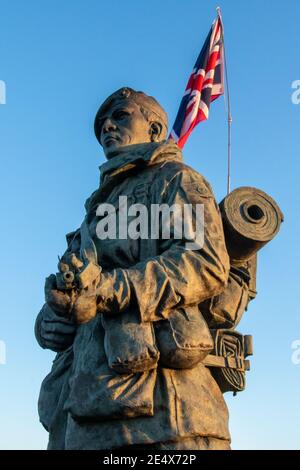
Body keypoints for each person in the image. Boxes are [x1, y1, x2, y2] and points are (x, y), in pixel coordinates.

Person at [35, 87, 231, 450]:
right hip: (82, 413)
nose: (107, 126)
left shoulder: (175, 180)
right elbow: (77, 294)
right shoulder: (94, 211)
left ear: (155, 130)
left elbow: (204, 261)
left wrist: (111, 288)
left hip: (164, 413)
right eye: (100, 125)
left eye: (121, 116)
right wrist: (50, 319)